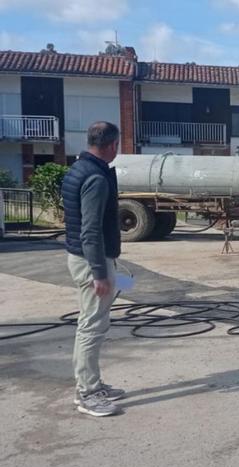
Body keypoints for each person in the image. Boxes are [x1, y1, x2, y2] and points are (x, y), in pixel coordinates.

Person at [61, 121, 125, 416]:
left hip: (84, 257)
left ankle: (93, 383)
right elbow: (90, 231)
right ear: (112, 145)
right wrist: (99, 273)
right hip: (91, 262)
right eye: (117, 145)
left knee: (93, 323)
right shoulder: (96, 178)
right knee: (92, 326)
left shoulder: (78, 169)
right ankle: (86, 393)